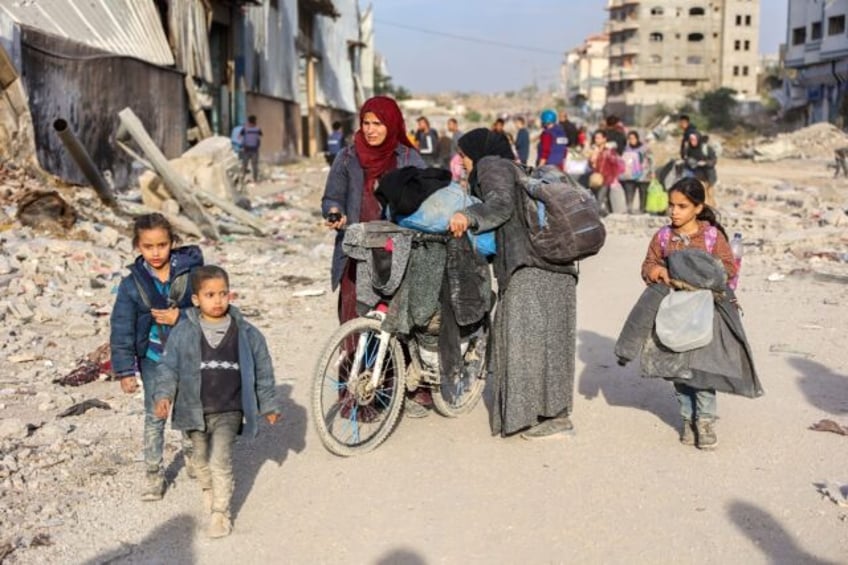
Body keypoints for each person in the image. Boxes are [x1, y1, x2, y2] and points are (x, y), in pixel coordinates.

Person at [447, 128, 578, 439]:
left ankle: (533, 417)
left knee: (520, 343)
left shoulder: (491, 165)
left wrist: (468, 215)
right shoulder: (515, 166)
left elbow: (501, 205)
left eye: (464, 155)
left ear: (477, 152)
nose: (462, 162)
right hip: (552, 263)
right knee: (549, 343)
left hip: (529, 265)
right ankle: (555, 416)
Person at [153, 266, 280, 538]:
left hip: (229, 409)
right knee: (200, 459)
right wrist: (163, 395)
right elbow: (168, 367)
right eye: (210, 294)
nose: (218, 300)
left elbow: (263, 369)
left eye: (223, 293)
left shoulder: (246, 332)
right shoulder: (184, 331)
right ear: (196, 299)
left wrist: (267, 404)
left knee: (220, 460)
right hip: (193, 409)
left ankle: (221, 513)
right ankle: (207, 489)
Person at [637, 178, 761, 449]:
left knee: (703, 371)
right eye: (671, 205)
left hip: (707, 312)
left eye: (682, 206)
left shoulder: (712, 236)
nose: (674, 211)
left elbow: (729, 268)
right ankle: (686, 418)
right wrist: (659, 272)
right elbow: (648, 265)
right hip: (674, 313)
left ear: (698, 207)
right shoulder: (663, 237)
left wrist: (699, 273)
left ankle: (704, 421)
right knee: (678, 370)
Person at [109, 213, 204, 501]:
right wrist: (125, 371)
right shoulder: (131, 285)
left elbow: (214, 309)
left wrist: (183, 315)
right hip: (153, 358)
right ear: (138, 246)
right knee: (155, 415)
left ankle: (193, 457)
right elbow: (121, 327)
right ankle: (153, 474)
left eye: (162, 245)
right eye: (148, 246)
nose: (155, 252)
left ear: (172, 243)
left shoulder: (192, 275)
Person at [587, 129, 623, 214]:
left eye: (598, 138)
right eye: (595, 138)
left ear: (604, 139)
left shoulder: (609, 151)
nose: (596, 140)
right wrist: (591, 159)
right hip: (596, 178)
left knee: (600, 197)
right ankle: (607, 212)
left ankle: (599, 215)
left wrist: (614, 177)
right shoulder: (594, 150)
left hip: (606, 178)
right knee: (596, 197)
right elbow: (590, 165)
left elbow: (615, 164)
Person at [619, 130, 654, 214]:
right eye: (630, 138)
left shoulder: (645, 148)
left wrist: (652, 171)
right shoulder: (625, 149)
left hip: (643, 174)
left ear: (637, 138)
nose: (632, 140)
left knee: (643, 192)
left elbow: (651, 160)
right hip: (629, 175)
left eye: (633, 138)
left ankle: (642, 209)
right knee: (629, 191)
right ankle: (629, 208)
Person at [682, 132, 718, 208]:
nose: (692, 141)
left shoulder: (706, 148)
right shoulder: (689, 149)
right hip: (697, 173)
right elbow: (685, 158)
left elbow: (714, 160)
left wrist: (705, 163)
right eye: (691, 139)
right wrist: (690, 161)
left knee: (710, 192)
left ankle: (712, 208)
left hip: (708, 174)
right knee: (702, 191)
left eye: (694, 139)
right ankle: (705, 208)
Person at [238, 115, 262, 182]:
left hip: (246, 149)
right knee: (255, 165)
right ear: (255, 121)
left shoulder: (245, 129)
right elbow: (260, 136)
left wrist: (243, 142)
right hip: (255, 150)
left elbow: (239, 137)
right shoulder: (258, 129)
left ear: (248, 121)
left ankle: (242, 179)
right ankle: (255, 179)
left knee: (244, 165)